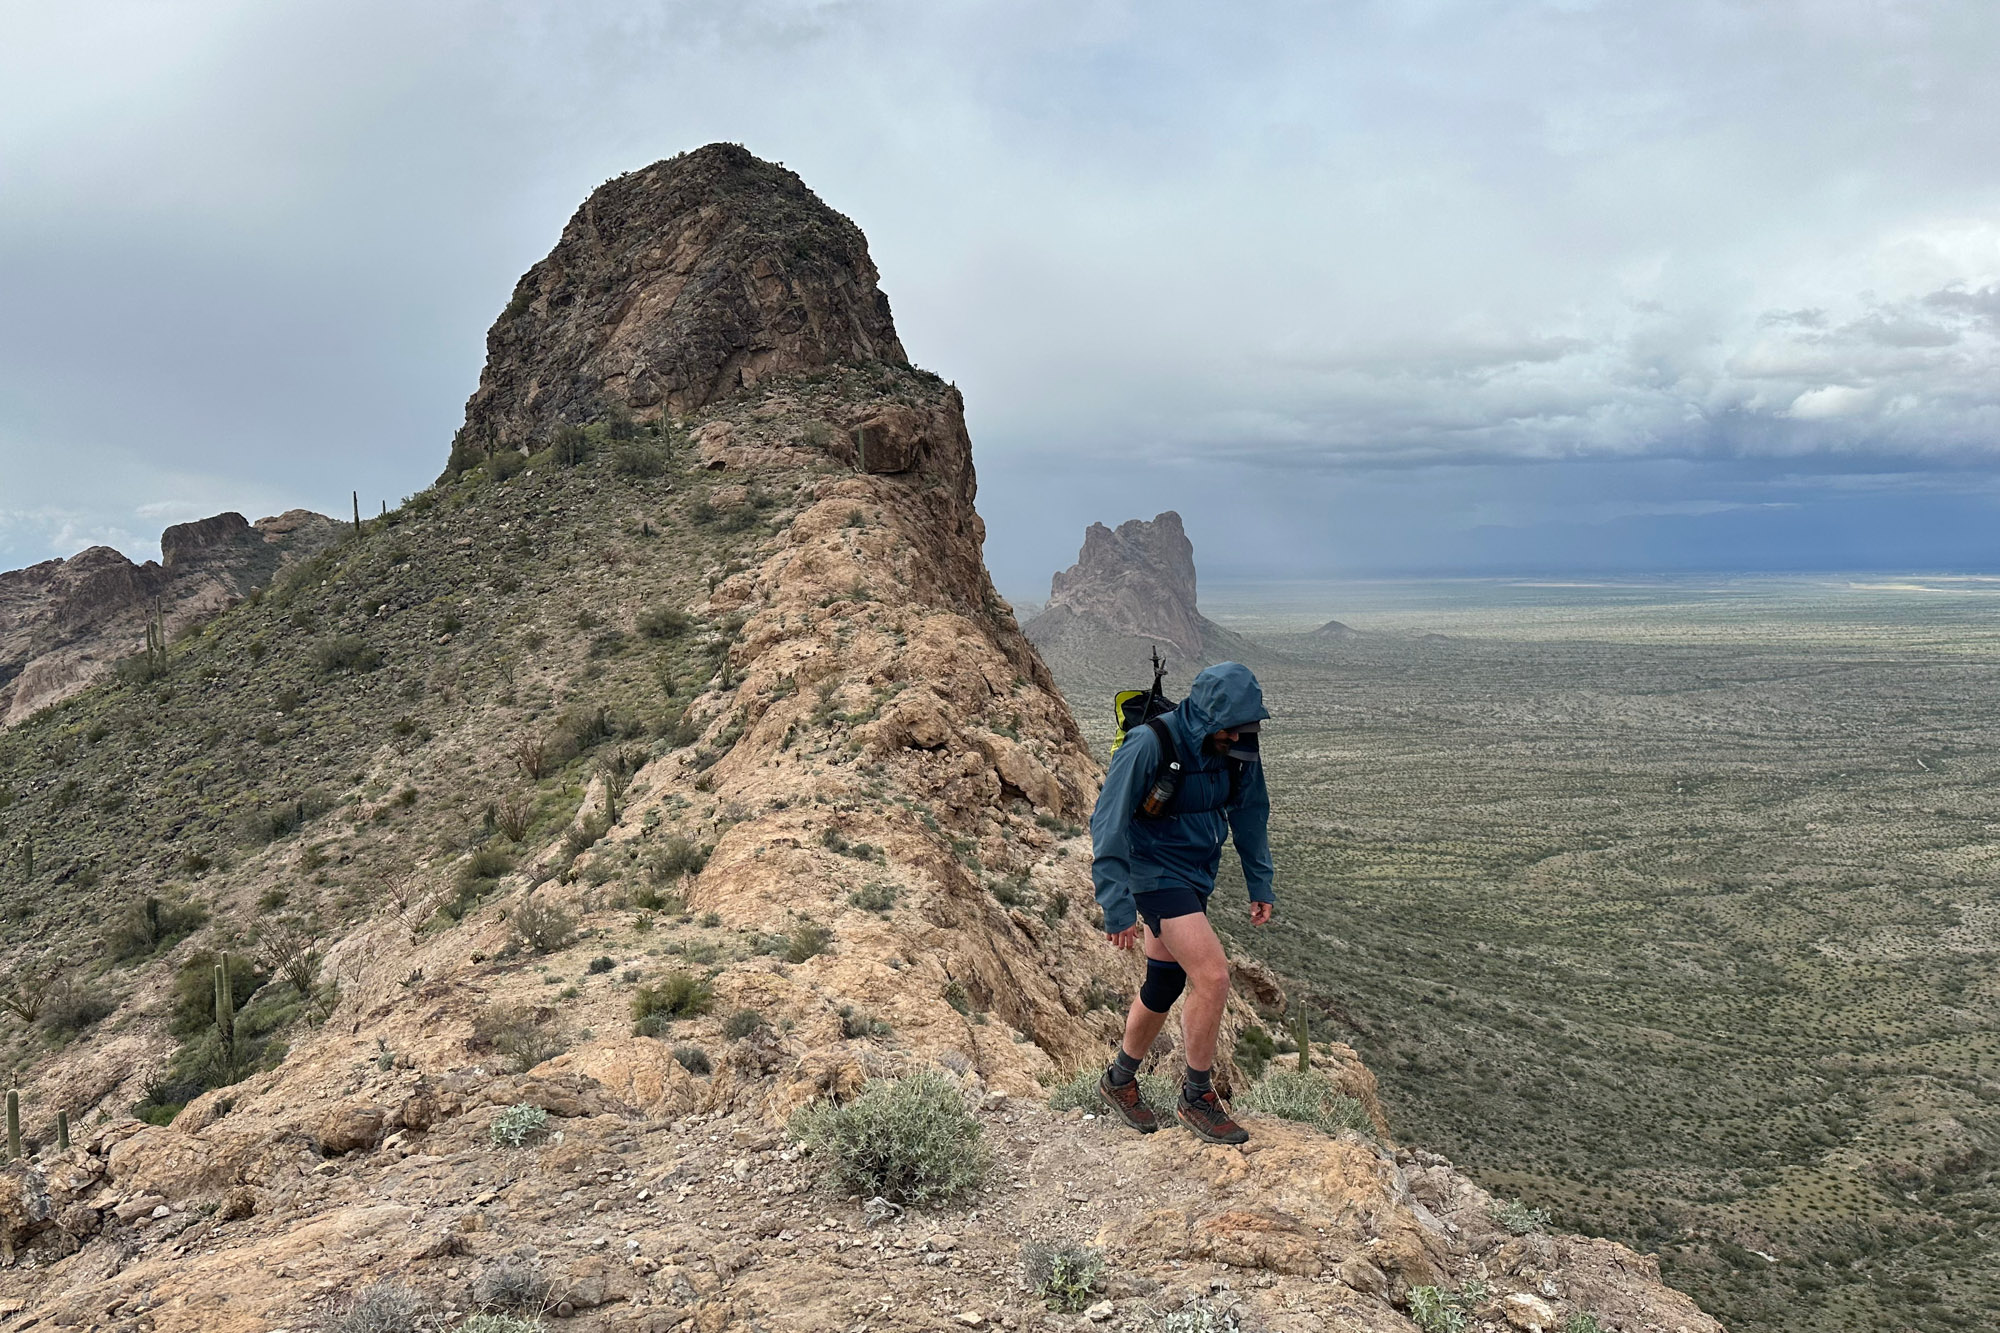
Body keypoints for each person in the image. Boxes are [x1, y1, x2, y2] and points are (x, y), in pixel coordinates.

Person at [1090, 660, 1274, 1144]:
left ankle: (1119, 1079)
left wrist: (1260, 882)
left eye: (1244, 728)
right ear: (1210, 716)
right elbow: (1108, 822)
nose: (1237, 737)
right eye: (1230, 728)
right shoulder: (1150, 743)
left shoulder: (1236, 746)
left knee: (1165, 981)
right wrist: (1116, 905)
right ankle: (1196, 1097)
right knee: (1213, 976)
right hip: (1152, 872)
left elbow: (1250, 812)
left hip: (1196, 873)